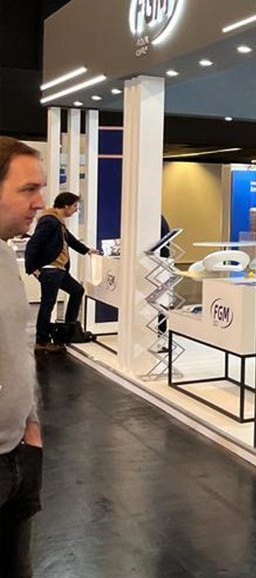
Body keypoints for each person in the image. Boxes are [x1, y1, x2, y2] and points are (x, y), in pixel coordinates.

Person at [0, 137, 48, 576]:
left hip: (19, 453)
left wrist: (31, 422)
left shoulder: (4, 254)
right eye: (28, 189)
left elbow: (17, 343)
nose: (40, 202)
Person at [25, 191, 96, 351]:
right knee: (48, 304)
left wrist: (87, 250)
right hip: (51, 270)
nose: (76, 210)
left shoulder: (58, 222)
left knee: (77, 291)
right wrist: (33, 269)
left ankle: (68, 330)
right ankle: (42, 341)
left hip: (59, 270)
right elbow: (33, 244)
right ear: (66, 205)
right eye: (75, 206)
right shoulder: (49, 221)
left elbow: (70, 240)